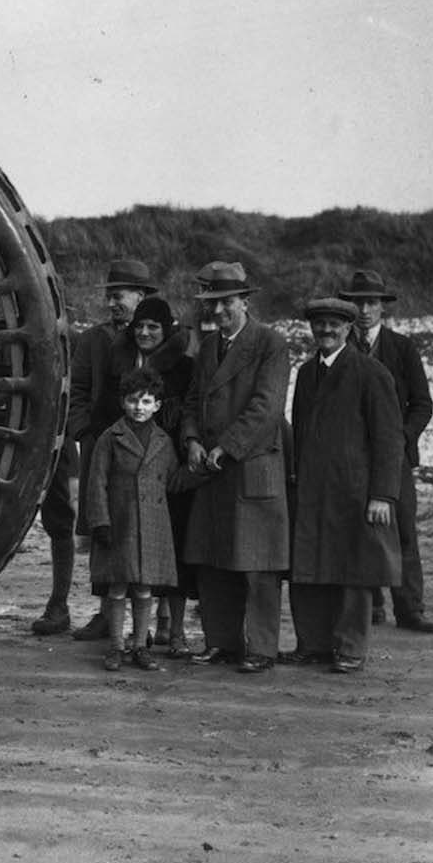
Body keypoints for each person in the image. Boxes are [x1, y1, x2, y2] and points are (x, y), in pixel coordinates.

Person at [35, 257, 157, 638]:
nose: (112, 304)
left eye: (119, 296)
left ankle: (151, 625)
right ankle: (107, 614)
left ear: (141, 296)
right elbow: (79, 391)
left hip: (148, 449)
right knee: (103, 528)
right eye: (110, 297)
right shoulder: (92, 340)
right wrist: (85, 433)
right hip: (101, 450)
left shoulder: (156, 337)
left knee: (148, 530)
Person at [180, 261, 290, 674]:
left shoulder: (271, 344)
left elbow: (267, 407)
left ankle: (261, 647)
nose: (220, 312)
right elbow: (192, 400)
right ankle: (221, 641)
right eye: (213, 304)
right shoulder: (208, 347)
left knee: (257, 564)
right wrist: (191, 439)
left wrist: (226, 447)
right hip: (211, 468)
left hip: (250, 466)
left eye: (227, 303)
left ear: (245, 301)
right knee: (213, 560)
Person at [286, 297, 404, 672]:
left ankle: (350, 647)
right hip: (313, 489)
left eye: (334, 325)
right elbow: (302, 431)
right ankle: (314, 644)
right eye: (319, 324)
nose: (325, 330)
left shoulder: (372, 373)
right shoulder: (306, 374)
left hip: (355, 491)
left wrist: (382, 494)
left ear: (349, 329)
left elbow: (389, 439)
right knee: (310, 567)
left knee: (354, 572)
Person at [339, 269, 433, 632]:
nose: (364, 310)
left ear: (383, 308)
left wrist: (399, 438)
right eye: (358, 302)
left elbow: (423, 404)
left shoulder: (403, 347)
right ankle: (372, 607)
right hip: (351, 460)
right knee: (359, 530)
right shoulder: (341, 348)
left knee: (404, 531)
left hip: (395, 460)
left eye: (371, 303)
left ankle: (410, 610)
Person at [112, 295, 198, 655]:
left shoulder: (185, 368)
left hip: (172, 465)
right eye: (141, 326)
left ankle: (175, 631)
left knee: (175, 551)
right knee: (133, 553)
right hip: (130, 466)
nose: (145, 332)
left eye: (153, 327)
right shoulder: (121, 359)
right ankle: (134, 634)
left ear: (167, 331)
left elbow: (193, 409)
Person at [85, 368, 180, 671]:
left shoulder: (164, 441)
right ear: (122, 402)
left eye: (147, 401)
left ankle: (140, 646)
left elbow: (173, 479)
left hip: (152, 526)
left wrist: (201, 470)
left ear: (157, 406)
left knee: (143, 588)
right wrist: (101, 521)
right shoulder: (110, 438)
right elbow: (96, 481)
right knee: (117, 587)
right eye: (133, 401)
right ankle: (115, 646)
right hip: (120, 523)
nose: (139, 407)